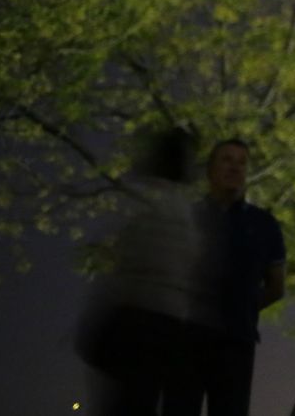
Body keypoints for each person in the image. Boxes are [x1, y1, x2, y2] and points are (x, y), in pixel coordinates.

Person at [76, 126, 215, 416]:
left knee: (124, 403)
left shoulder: (140, 202)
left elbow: (124, 262)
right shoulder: (190, 217)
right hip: (168, 323)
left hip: (134, 319)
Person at [187, 137, 287, 416]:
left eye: (242, 162)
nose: (235, 168)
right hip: (186, 340)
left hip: (236, 342)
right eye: (227, 160)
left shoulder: (264, 224)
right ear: (210, 170)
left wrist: (241, 307)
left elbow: (276, 286)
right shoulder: (188, 218)